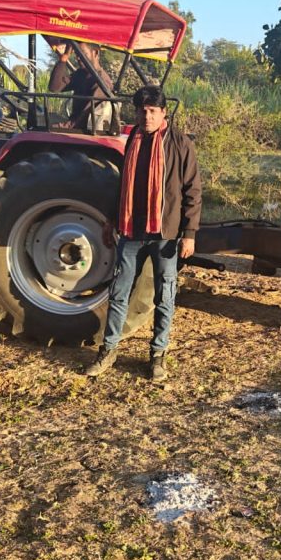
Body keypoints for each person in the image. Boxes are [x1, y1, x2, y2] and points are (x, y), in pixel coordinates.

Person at [85, 85, 202, 382]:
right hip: (131, 231)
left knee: (165, 295)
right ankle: (108, 350)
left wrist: (189, 233)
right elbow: (122, 184)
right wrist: (111, 220)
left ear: (163, 112)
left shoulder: (179, 144)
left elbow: (192, 191)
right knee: (119, 293)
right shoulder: (132, 141)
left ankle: (158, 356)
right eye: (142, 111)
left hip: (165, 233)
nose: (146, 116)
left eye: (152, 111)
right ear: (136, 113)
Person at [46, 39, 115, 131]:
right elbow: (55, 87)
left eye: (83, 54)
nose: (78, 58)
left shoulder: (101, 81)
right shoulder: (81, 74)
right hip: (74, 125)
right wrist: (64, 58)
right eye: (77, 54)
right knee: (42, 118)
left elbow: (86, 115)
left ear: (96, 53)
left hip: (84, 129)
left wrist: (64, 126)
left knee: (45, 124)